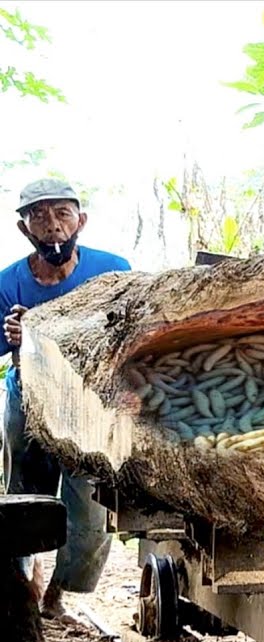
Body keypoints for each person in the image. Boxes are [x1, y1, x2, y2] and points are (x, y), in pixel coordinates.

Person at [1, 178, 131, 618]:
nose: (52, 226)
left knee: (92, 511)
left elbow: (127, 334)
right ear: (25, 229)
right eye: (39, 216)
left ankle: (61, 592)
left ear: (81, 221)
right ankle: (20, 591)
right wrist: (14, 336)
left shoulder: (112, 271)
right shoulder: (9, 284)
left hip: (90, 407)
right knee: (22, 498)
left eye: (62, 214)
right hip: (29, 405)